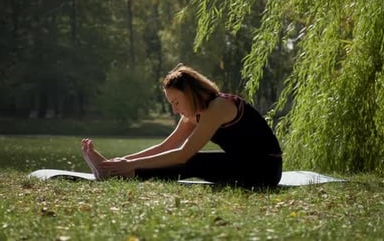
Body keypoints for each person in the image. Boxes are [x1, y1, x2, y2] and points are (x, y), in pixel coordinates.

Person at [81, 64, 283, 188]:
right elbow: (166, 147)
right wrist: (122, 160)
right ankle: (111, 170)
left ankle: (119, 174)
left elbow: (182, 154)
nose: (175, 110)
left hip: (264, 170)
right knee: (191, 161)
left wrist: (130, 165)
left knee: (193, 161)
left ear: (191, 93)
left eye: (176, 102)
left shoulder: (218, 107)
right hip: (240, 163)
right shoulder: (193, 114)